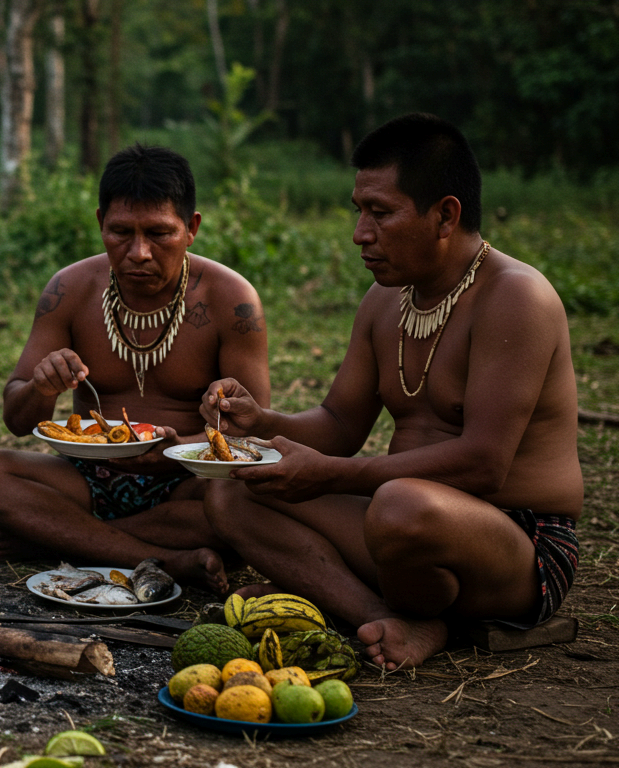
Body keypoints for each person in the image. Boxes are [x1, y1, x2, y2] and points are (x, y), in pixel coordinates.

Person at [201, 113, 583, 671]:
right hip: (400, 529)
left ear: (445, 215)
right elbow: (339, 423)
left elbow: (484, 464)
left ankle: (409, 611)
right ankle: (390, 617)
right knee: (233, 492)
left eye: (380, 213)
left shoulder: (516, 298)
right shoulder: (386, 301)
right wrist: (259, 421)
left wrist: (331, 476)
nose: (360, 232)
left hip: (516, 545)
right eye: (359, 211)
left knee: (399, 506)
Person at [0, 144, 270, 593]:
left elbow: (247, 436)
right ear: (100, 222)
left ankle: (63, 536)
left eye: (159, 233)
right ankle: (162, 560)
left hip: (186, 483)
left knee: (241, 502)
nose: (138, 252)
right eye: (121, 232)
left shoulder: (230, 299)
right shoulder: (70, 289)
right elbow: (17, 419)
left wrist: (177, 451)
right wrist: (43, 388)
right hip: (86, 479)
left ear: (191, 228)